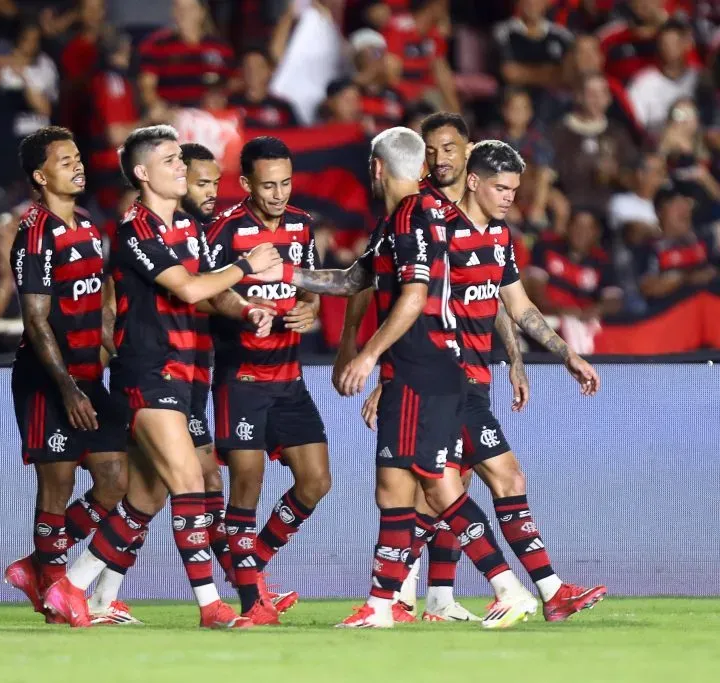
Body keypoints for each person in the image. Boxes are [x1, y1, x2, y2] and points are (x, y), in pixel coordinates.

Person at [280, 127, 538, 629]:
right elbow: (353, 279)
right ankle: (381, 606)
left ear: (377, 167)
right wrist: (285, 274)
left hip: (423, 367)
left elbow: (415, 296)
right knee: (397, 489)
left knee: (435, 488)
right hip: (432, 369)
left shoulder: (411, 217)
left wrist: (367, 355)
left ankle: (507, 588)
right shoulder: (405, 219)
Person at [42, 124, 282, 629]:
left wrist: (245, 310)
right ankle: (210, 605)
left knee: (146, 496)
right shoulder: (136, 230)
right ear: (143, 173)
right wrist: (247, 265)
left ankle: (71, 586)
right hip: (149, 374)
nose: (182, 167)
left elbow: (212, 292)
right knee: (191, 483)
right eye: (172, 160)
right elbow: (189, 290)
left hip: (189, 374)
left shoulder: (190, 228)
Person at [408, 140, 608, 622]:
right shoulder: (438, 230)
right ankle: (544, 589)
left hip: (476, 380)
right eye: (500, 187)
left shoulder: (498, 237)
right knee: (481, 482)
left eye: (514, 190)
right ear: (472, 181)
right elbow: (410, 301)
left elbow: (516, 306)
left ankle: (412, 596)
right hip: (441, 379)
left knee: (436, 495)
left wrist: (562, 353)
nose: (508, 198)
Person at [2, 126, 133, 625]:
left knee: (114, 482)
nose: (78, 166)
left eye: (78, 157)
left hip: (87, 378)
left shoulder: (86, 224)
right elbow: (35, 319)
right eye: (64, 160)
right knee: (55, 486)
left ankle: (38, 565)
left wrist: (108, 350)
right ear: (40, 176)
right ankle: (56, 587)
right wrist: (68, 388)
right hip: (46, 382)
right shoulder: (33, 232)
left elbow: (101, 300)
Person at [204, 136, 324, 624]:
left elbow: (310, 285)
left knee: (315, 482)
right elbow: (206, 292)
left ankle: (249, 566)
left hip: (289, 377)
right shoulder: (226, 230)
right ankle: (254, 600)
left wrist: (310, 311)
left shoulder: (302, 224)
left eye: (285, 183)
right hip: (242, 376)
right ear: (247, 183)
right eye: (268, 184)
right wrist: (244, 308)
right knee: (247, 483)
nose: (278, 194)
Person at [178, 142, 233, 584]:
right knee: (201, 482)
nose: (211, 192)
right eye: (201, 183)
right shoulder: (157, 232)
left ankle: (95, 592)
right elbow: (199, 293)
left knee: (140, 492)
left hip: (195, 371)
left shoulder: (201, 234)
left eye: (215, 183)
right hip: (159, 376)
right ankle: (244, 587)